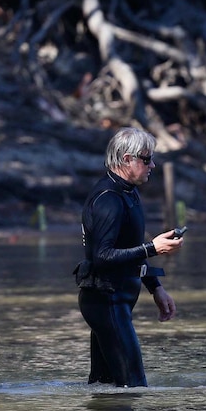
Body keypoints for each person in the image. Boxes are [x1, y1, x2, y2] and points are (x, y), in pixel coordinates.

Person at [73, 126, 183, 387]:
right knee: (133, 387)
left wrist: (156, 288)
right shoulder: (108, 198)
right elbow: (102, 256)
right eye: (147, 159)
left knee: (104, 387)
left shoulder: (128, 192)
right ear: (127, 159)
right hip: (105, 300)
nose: (152, 165)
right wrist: (152, 248)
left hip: (116, 300)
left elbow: (129, 249)